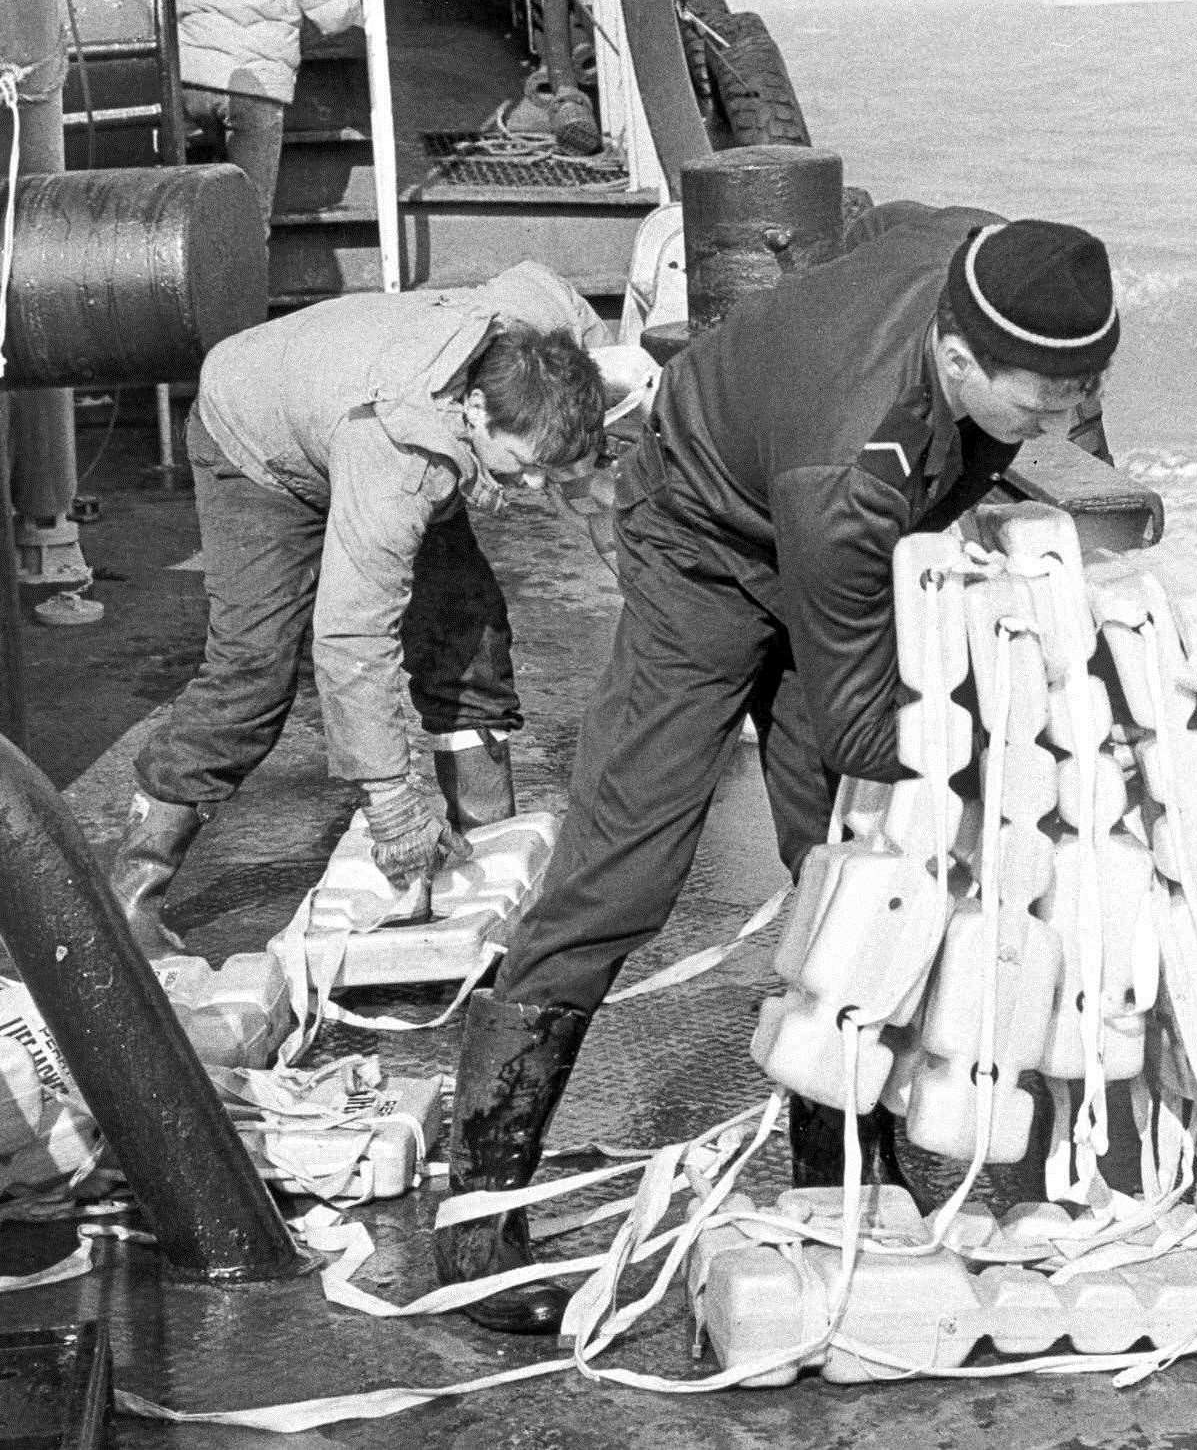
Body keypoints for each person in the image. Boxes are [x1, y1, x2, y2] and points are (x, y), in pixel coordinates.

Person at [433, 202, 1122, 1334]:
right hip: (707, 533)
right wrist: (1008, 758)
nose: (1061, 422)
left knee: (840, 856)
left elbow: (1039, 391)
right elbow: (861, 734)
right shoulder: (853, 468)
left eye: (1080, 392)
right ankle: (480, 1204)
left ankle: (841, 1167)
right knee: (628, 861)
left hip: (822, 503)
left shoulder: (1001, 265)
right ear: (955, 357)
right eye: (1040, 407)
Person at [108, 262, 612, 961]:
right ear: (474, 412)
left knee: (467, 626)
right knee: (252, 674)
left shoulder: (537, 332)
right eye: (522, 465)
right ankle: (128, 894)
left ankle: (487, 848)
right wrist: (395, 810)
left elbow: (549, 285)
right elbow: (350, 638)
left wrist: (595, 489)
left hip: (343, 400)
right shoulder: (403, 464)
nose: (531, 485)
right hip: (256, 441)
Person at [175, 0, 361, 235]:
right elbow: (333, 13)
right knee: (250, 227)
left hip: (189, 81)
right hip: (254, 87)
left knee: (183, 224)